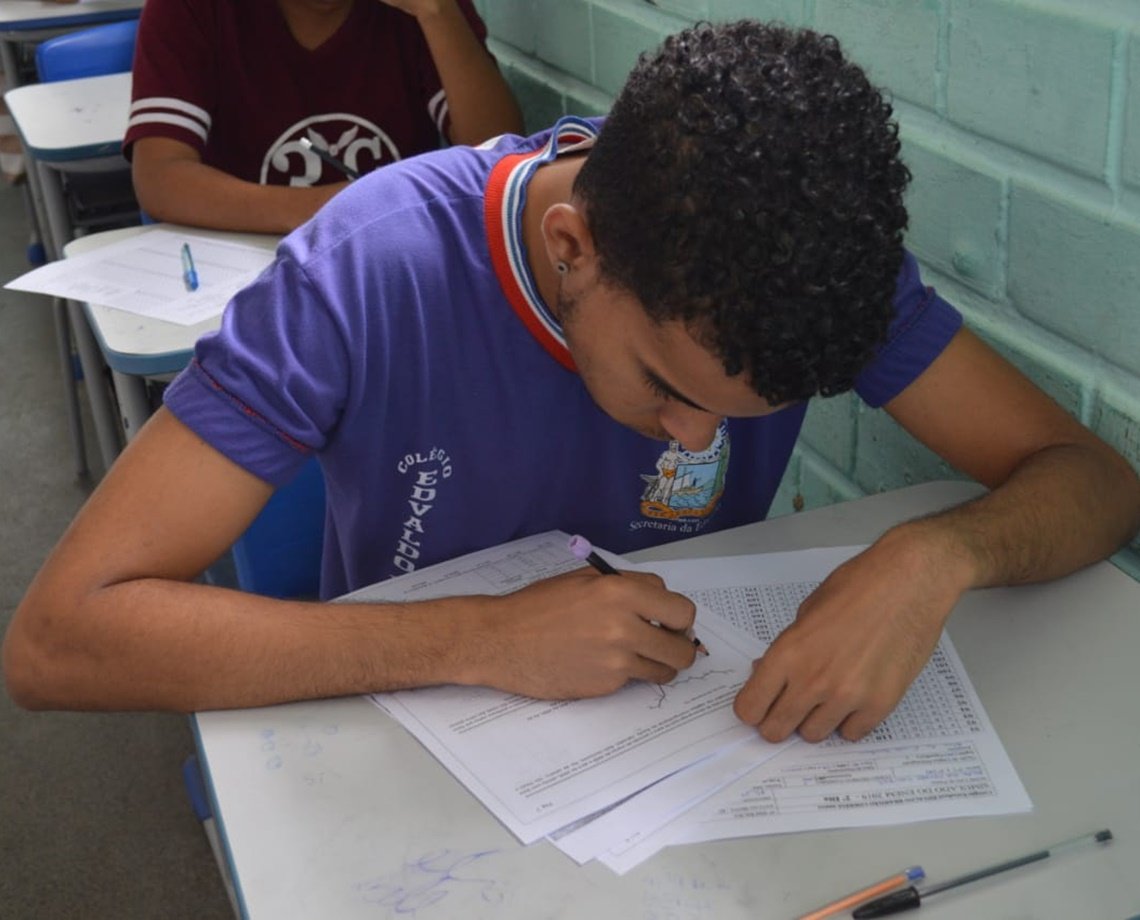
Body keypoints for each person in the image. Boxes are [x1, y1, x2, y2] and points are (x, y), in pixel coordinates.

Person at [6, 21, 1139, 746]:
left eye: (735, 416)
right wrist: (474, 639)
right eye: (664, 383)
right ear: (570, 246)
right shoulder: (365, 269)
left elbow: (1094, 478)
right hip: (409, 747)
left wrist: (933, 555)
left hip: (679, 742)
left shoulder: (805, 261)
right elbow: (57, 640)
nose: (690, 437)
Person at [124, 0, 523, 233]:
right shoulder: (192, 9)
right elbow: (161, 177)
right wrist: (339, 212)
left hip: (387, 265)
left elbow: (496, 157)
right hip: (243, 260)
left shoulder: (418, 12)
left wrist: (437, 14)